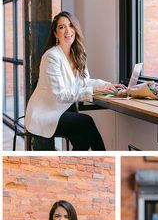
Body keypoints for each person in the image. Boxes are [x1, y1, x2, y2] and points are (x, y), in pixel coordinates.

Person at [25, 11, 125, 151]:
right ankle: (106, 161)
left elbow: (85, 81)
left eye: (71, 26)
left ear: (76, 29)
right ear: (55, 33)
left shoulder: (78, 53)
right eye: (62, 27)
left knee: (82, 140)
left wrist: (106, 85)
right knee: (86, 122)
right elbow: (60, 95)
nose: (68, 30)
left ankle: (76, 167)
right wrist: (94, 90)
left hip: (64, 109)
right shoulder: (51, 56)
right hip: (45, 113)